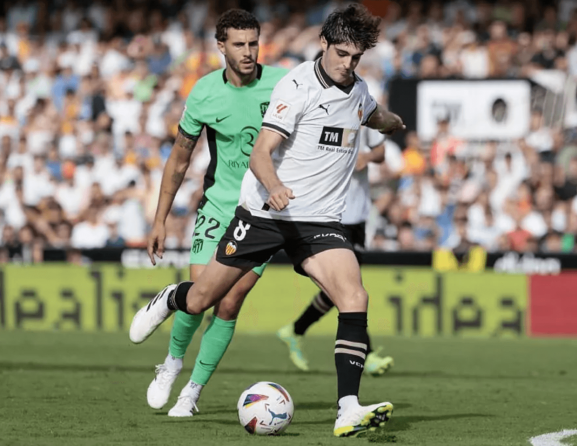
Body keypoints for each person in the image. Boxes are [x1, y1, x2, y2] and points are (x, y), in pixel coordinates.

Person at [129, 3, 405, 436]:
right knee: (202, 300)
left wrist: (390, 122)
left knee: (354, 297)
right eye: (341, 55)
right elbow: (260, 152)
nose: (348, 65)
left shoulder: (359, 90)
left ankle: (348, 407)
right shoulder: (295, 86)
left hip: (318, 222)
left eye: (356, 58)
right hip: (264, 213)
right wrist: (274, 186)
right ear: (323, 45)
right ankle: (169, 299)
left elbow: (372, 113)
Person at [142, 9, 287, 418]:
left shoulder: (282, 84)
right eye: (239, 44)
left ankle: (192, 391)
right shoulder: (204, 93)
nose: (248, 51)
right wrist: (160, 219)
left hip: (261, 213)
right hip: (218, 206)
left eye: (253, 43)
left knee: (229, 302)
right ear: (220, 46)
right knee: (200, 294)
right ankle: (171, 364)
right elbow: (179, 160)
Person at [276, 123, 394, 376]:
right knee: (348, 288)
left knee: (344, 289)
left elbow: (380, 152)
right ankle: (368, 354)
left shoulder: (365, 110)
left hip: (357, 216)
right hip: (327, 214)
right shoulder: (318, 112)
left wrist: (367, 156)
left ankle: (296, 330)